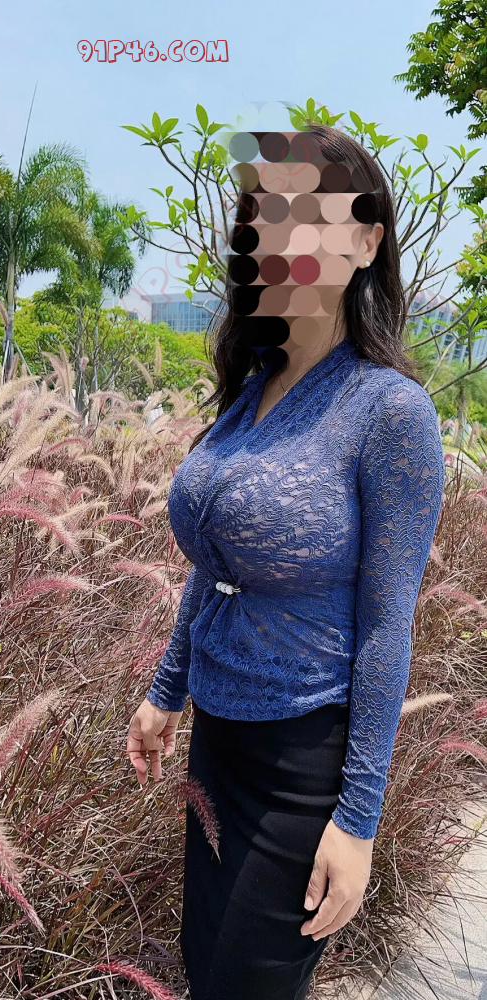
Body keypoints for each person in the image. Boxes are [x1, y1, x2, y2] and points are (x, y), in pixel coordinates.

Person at [126, 124, 446, 1000]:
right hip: (216, 737)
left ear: (365, 241)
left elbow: (386, 626)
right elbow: (215, 564)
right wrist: (166, 690)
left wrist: (358, 819)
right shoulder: (250, 389)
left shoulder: (387, 413)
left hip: (303, 757)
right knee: (205, 969)